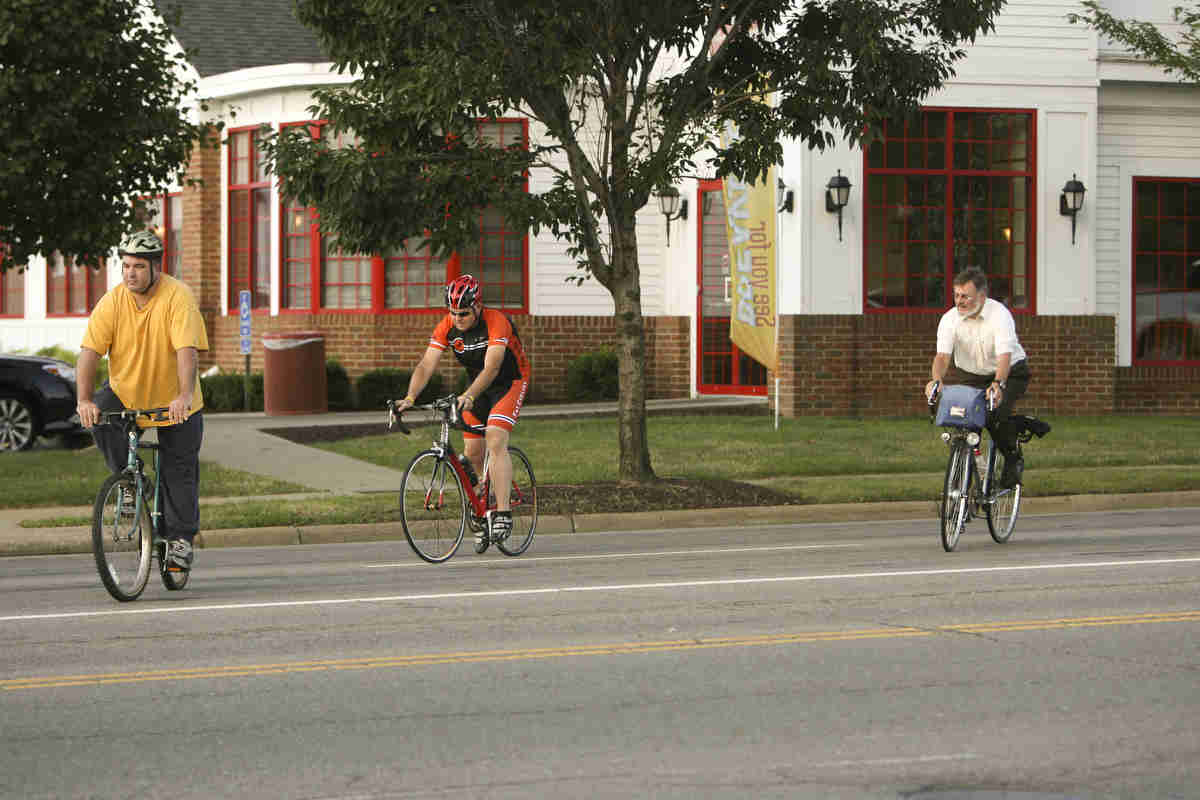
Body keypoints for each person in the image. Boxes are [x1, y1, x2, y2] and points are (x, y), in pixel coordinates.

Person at [76, 230, 209, 573]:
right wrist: (84, 400)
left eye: (137, 266)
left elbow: (186, 352)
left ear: (155, 267)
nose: (129, 273)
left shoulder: (178, 297)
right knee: (100, 414)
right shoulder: (113, 301)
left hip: (176, 402)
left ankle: (179, 541)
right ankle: (131, 482)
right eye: (125, 266)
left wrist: (183, 395)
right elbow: (90, 352)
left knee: (179, 471)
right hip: (128, 392)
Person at [395, 274, 532, 552]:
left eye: (464, 313)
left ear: (478, 307)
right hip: (476, 387)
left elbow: (492, 367)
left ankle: (503, 514)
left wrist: (469, 395)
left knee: (495, 437)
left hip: (510, 382)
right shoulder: (448, 326)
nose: (458, 318)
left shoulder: (497, 322)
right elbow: (426, 365)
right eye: (453, 312)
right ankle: (480, 510)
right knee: (472, 452)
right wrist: (411, 396)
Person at [924, 266, 1031, 488]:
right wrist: (936, 380)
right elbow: (943, 357)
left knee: (994, 415)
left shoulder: (1000, 315)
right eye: (956, 295)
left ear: (981, 296)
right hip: (971, 374)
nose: (959, 301)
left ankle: (1013, 458)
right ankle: (978, 474)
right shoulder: (949, 319)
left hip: (1009, 372)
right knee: (964, 421)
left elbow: (1004, 356)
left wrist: (997, 384)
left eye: (965, 296)